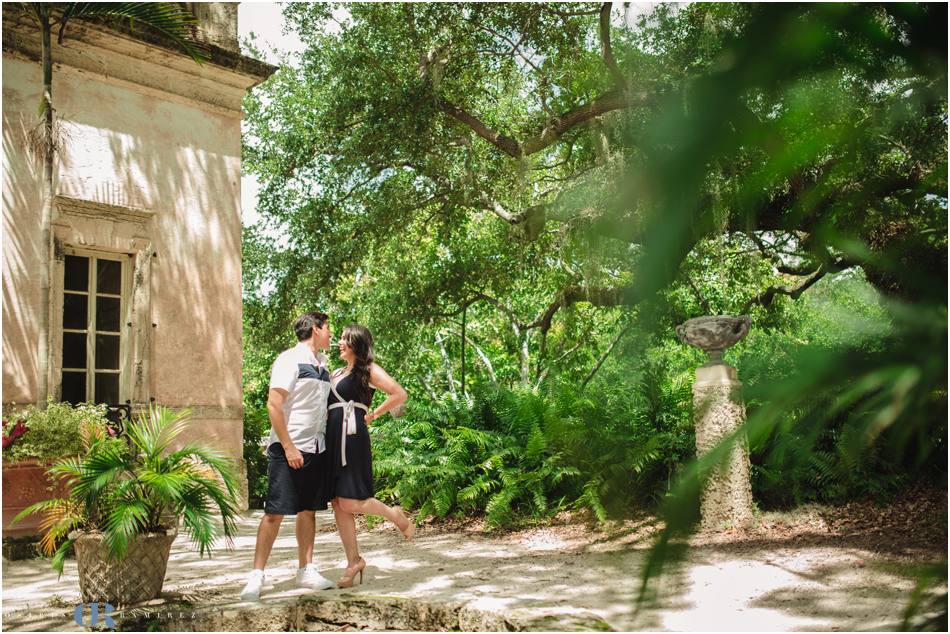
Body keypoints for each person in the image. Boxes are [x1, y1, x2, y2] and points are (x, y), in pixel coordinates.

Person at [240, 311, 336, 601]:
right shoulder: (289, 360)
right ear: (316, 329)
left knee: (308, 511)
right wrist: (289, 447)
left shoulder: (322, 364)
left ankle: (306, 570)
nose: (331, 334)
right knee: (275, 512)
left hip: (315, 448)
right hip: (288, 449)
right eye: (328, 328)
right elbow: (274, 404)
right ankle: (256, 575)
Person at [324, 324, 412, 588]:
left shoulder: (368, 369)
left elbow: (399, 394)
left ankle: (395, 515)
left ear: (357, 342)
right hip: (332, 437)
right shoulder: (336, 372)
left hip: (352, 437)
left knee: (351, 501)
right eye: (338, 338)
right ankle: (353, 562)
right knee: (338, 502)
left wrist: (374, 414)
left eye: (344, 338)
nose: (339, 342)